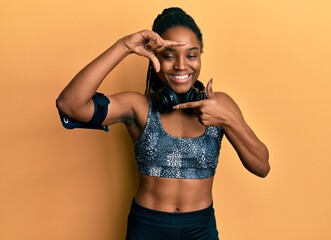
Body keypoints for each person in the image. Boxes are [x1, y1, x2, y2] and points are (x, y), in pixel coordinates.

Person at [56, 7, 270, 240]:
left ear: (201, 55)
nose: (181, 65)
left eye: (192, 55)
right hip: (148, 228)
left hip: (200, 229)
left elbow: (262, 166)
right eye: (168, 55)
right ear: (154, 58)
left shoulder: (219, 104)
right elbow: (70, 105)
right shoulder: (137, 106)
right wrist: (124, 46)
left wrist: (228, 120)